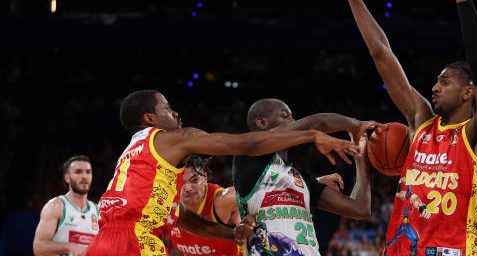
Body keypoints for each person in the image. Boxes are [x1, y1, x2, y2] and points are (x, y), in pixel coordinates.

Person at [86, 90, 360, 256]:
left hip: (102, 243)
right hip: (135, 241)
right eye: (167, 108)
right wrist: (313, 134)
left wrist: (232, 234)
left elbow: (183, 218)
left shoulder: (133, 154)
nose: (176, 112)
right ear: (150, 119)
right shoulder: (170, 138)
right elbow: (247, 144)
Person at [342, 0, 477, 254]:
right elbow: (381, 52)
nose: (434, 88)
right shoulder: (421, 122)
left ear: (468, 92)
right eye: (436, 82)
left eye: (444, 81)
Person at [233, 98, 374, 256]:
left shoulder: (302, 179)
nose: (293, 121)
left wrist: (360, 154)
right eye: (285, 115)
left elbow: (360, 208)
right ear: (261, 122)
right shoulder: (247, 155)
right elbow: (319, 122)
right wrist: (354, 124)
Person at [165, 155, 345, 256]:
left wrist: (314, 183)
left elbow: (267, 191)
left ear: (205, 177)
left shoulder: (223, 201)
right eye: (182, 181)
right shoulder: (165, 204)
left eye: (194, 180)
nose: (187, 188)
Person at [33, 155, 99, 256]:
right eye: (78, 172)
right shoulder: (56, 206)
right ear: (67, 178)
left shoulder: (98, 211)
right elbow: (38, 247)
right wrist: (70, 246)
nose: (84, 176)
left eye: (88, 172)